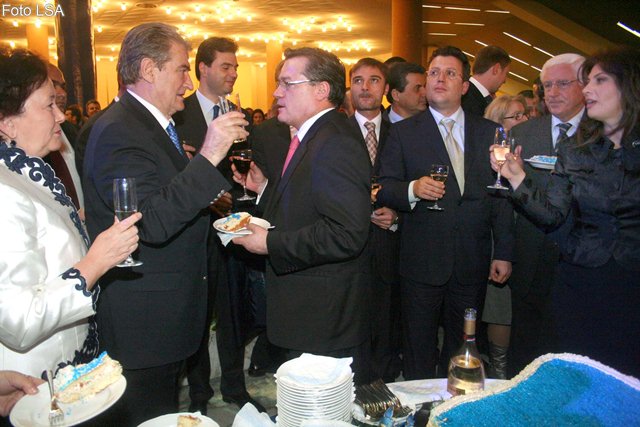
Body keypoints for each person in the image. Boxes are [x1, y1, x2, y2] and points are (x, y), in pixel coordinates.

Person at [83, 23, 246, 425]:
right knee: (148, 415)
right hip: (145, 322)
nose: (188, 84)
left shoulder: (150, 124)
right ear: (148, 69)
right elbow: (150, 222)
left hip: (164, 315)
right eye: (182, 70)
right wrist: (208, 156)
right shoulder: (120, 130)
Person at [492, 46, 640, 378]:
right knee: (575, 375)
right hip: (580, 281)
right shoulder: (576, 149)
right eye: (587, 82)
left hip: (632, 285)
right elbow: (552, 216)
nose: (588, 90)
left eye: (599, 80)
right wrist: (516, 178)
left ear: (628, 85)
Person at [233, 47, 372, 385]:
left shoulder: (334, 141)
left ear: (321, 90)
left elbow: (346, 234)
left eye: (287, 83)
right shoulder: (314, 135)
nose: (276, 93)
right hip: (309, 311)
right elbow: (307, 204)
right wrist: (265, 188)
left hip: (323, 316)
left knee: (320, 406)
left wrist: (270, 243)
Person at [0, 48, 141, 378]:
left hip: (68, 365)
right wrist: (96, 262)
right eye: (49, 105)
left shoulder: (25, 175)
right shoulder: (5, 192)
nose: (61, 116)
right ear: (7, 123)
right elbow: (19, 320)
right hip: (38, 380)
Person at [377, 46, 514, 380]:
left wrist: (503, 252)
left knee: (463, 345)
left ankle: (455, 403)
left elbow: (500, 197)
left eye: (450, 73)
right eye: (434, 73)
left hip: (471, 259)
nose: (440, 79)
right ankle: (420, 404)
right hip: (421, 260)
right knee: (418, 346)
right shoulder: (403, 132)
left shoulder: (488, 132)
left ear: (464, 86)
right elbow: (384, 186)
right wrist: (413, 189)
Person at [173, 36, 266, 414]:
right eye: (226, 66)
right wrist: (210, 198)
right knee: (200, 311)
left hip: (235, 224)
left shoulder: (236, 112)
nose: (233, 73)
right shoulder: (181, 114)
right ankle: (198, 393)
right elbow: (178, 176)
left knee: (233, 311)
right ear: (203, 69)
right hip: (196, 226)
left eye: (236, 67)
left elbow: (246, 160)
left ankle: (234, 385)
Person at [507, 53, 586, 378]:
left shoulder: (601, 134)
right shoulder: (524, 133)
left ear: (583, 86)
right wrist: (504, 252)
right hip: (529, 252)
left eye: (562, 84)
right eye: (547, 86)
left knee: (573, 350)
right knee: (524, 348)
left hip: (579, 258)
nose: (552, 92)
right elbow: (504, 200)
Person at [348, 57, 402, 382]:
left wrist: (397, 212)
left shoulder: (403, 133)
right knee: (352, 321)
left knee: (387, 318)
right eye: (358, 80)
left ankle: (384, 385)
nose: (365, 87)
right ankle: (354, 386)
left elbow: (413, 183)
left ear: (386, 88)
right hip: (348, 245)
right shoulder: (335, 132)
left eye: (373, 80)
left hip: (389, 243)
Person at [481, 94, 529, 378]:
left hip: (526, 237)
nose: (525, 120)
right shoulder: (489, 156)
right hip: (496, 239)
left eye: (525, 114)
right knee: (500, 307)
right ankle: (499, 372)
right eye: (517, 116)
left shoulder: (528, 151)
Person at [461, 45, 511, 116]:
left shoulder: (463, 92)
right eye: (506, 74)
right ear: (496, 69)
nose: (505, 81)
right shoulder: (468, 100)